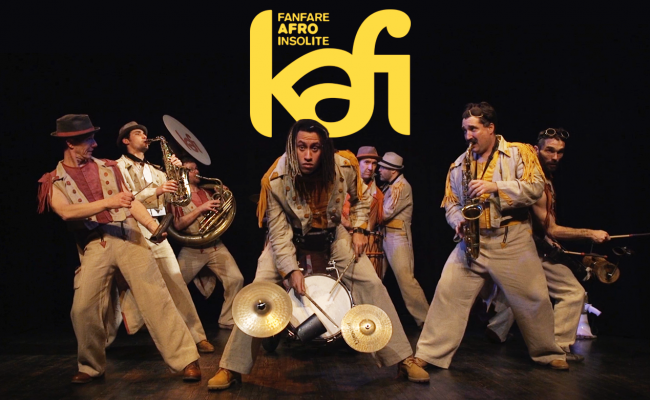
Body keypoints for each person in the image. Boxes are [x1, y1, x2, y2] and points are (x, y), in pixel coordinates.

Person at [207, 119, 429, 390]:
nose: (308, 155)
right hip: (290, 239)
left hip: (333, 236)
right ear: (293, 147)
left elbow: (361, 199)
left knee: (372, 283)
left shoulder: (344, 167)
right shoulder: (275, 179)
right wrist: (290, 269)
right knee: (258, 292)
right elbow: (278, 232)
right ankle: (231, 367)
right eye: (301, 147)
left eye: (315, 148)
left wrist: (360, 229)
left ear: (324, 149)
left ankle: (403, 359)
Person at [37, 114, 201, 383]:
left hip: (128, 236)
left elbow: (130, 202)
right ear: (70, 143)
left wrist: (153, 226)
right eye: (88, 139)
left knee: (156, 298)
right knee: (83, 308)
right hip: (95, 245)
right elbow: (66, 212)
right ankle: (90, 366)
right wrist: (108, 202)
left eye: (93, 137)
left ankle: (187, 360)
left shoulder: (109, 167)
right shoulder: (53, 180)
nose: (94, 144)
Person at [413, 102, 569, 371]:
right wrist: (458, 221)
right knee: (447, 294)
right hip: (473, 242)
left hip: (512, 239)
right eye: (465, 130)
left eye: (473, 129)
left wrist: (495, 186)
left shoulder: (519, 153)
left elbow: (534, 188)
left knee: (534, 298)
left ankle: (547, 352)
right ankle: (428, 354)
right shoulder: (459, 165)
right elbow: (451, 204)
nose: (468, 136)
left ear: (490, 128)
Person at [483, 128, 610, 362]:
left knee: (528, 289)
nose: (555, 157)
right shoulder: (535, 181)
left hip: (523, 245)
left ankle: (498, 328)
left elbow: (543, 226)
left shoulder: (542, 176)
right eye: (550, 150)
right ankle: (559, 348)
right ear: (536, 149)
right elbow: (551, 227)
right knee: (572, 292)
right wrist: (590, 234)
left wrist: (549, 239)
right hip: (524, 246)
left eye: (560, 152)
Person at [115, 121, 214, 353]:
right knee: (137, 284)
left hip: (157, 227)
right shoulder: (117, 167)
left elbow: (177, 197)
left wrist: (179, 173)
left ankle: (197, 336)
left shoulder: (156, 170)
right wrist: (156, 191)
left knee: (176, 281)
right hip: (133, 228)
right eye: (138, 133)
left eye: (145, 133)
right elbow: (125, 197)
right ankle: (107, 336)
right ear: (126, 140)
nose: (144, 136)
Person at [171, 158, 244, 330]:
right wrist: (200, 209)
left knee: (236, 279)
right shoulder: (179, 197)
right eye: (191, 170)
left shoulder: (208, 192)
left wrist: (225, 195)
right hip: (192, 249)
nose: (196, 172)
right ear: (182, 174)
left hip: (215, 245)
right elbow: (178, 225)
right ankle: (172, 323)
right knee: (174, 285)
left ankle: (227, 319)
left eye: (196, 168)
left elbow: (222, 214)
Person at [377, 152, 429, 327]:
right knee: (374, 278)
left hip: (396, 237)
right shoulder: (389, 186)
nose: (379, 170)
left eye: (383, 167)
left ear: (393, 171)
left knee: (406, 280)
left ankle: (425, 320)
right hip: (385, 235)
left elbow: (385, 214)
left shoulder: (401, 187)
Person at [341, 146, 384, 276]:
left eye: (374, 163)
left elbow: (375, 223)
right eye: (366, 162)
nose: (370, 168)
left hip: (362, 244)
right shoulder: (343, 183)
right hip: (339, 238)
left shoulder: (377, 195)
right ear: (357, 163)